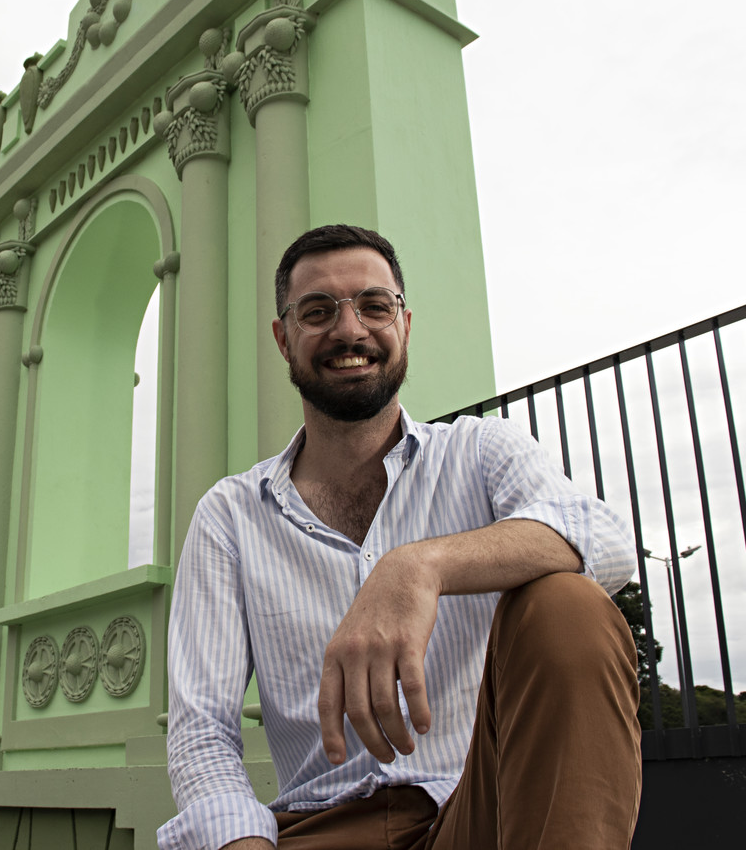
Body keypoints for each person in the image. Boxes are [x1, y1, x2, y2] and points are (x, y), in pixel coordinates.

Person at [158, 225, 641, 850]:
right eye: (318, 311)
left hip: (478, 812)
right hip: (320, 825)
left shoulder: (482, 453)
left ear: (404, 323)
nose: (350, 330)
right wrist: (240, 843)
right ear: (283, 339)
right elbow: (201, 730)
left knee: (568, 603)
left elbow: (604, 539)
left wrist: (420, 567)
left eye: (374, 306)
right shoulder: (230, 514)